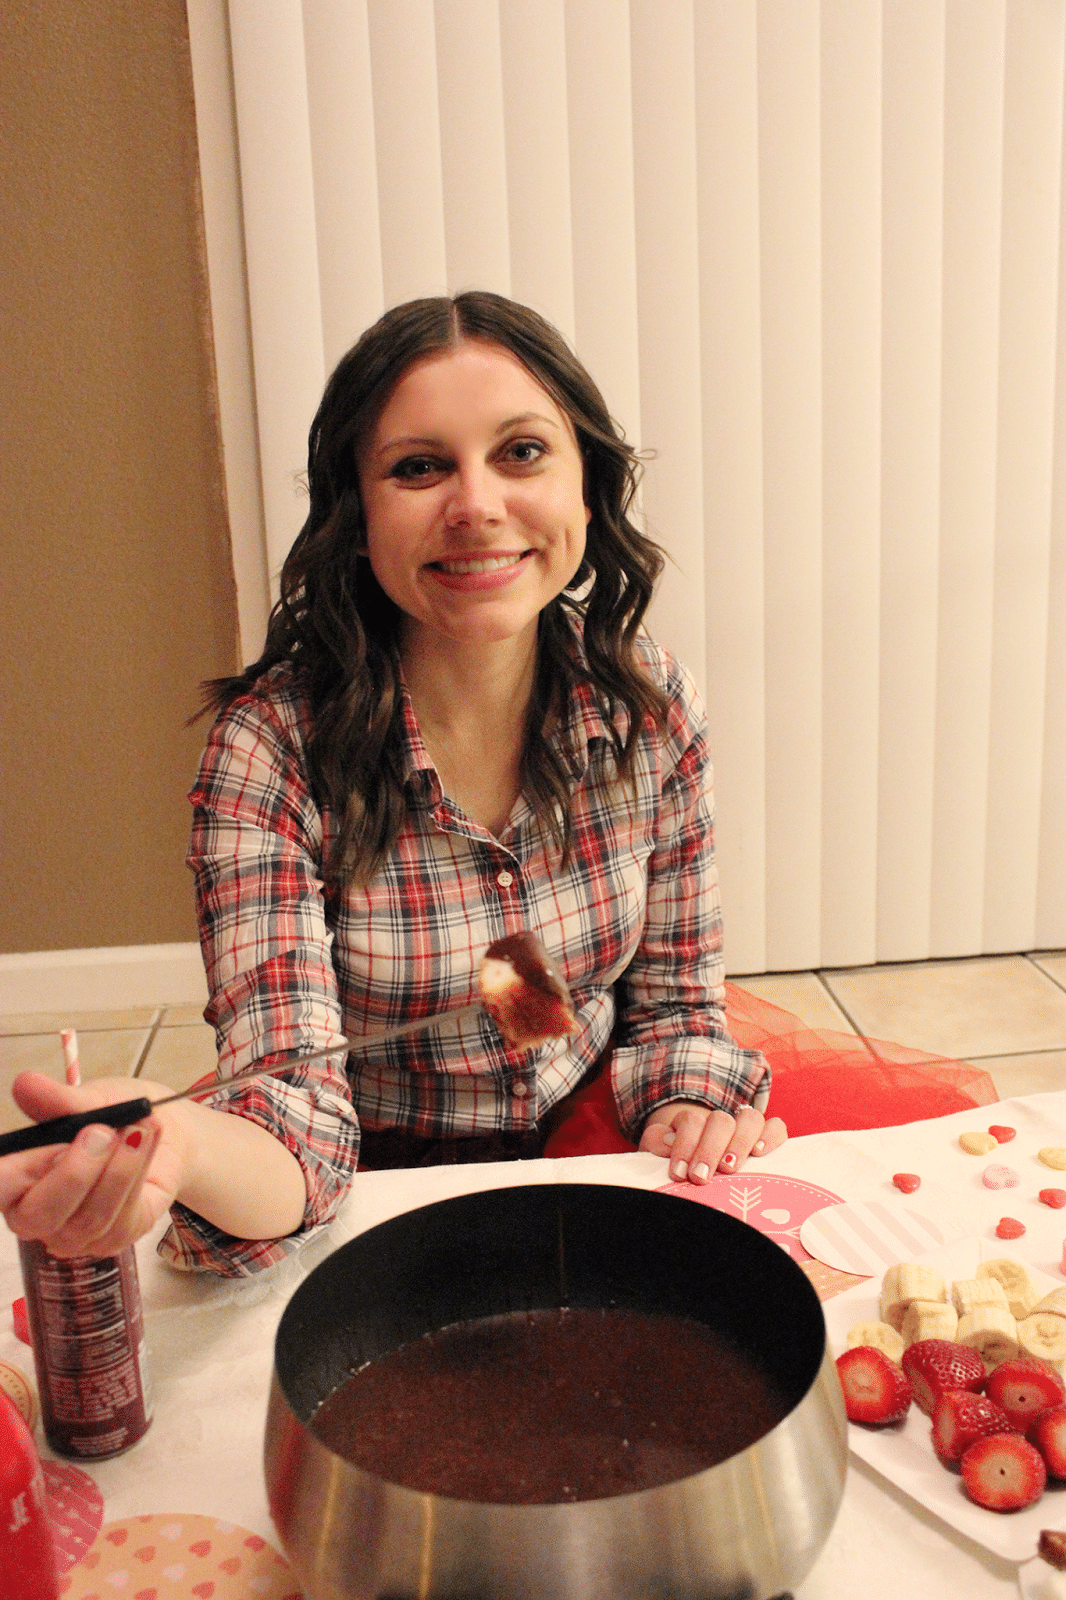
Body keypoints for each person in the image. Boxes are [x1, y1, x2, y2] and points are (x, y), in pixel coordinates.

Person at [0, 292, 786, 1275]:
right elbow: (293, 1113)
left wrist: (684, 1105)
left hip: (597, 1135)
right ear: (355, 512)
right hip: (371, 1187)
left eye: (522, 452)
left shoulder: (651, 699)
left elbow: (673, 1002)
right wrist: (185, 1145)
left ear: (588, 483)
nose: (477, 505)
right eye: (418, 466)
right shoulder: (270, 751)